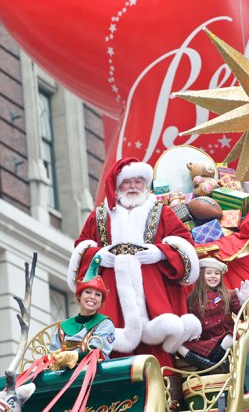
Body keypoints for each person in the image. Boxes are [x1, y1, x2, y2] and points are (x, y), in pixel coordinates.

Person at [67, 157, 201, 408]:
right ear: (117, 187)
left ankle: (167, 402)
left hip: (154, 300)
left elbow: (185, 245)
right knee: (111, 349)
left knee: (159, 350)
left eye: (138, 181)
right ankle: (111, 401)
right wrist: (98, 256)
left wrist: (161, 252)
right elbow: (81, 250)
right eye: (126, 182)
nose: (132, 186)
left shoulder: (162, 212)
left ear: (146, 184)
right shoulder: (99, 217)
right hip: (112, 297)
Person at [178, 257, 249, 370]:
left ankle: (212, 366)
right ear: (201, 276)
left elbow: (245, 316)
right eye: (208, 273)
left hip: (223, 339)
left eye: (217, 273)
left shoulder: (229, 295)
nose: (213, 276)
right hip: (205, 341)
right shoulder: (191, 300)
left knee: (229, 337)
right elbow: (189, 321)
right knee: (178, 346)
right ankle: (212, 366)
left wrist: (244, 303)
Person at [50, 254, 115, 370]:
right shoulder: (62, 327)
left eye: (98, 294)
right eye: (88, 292)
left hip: (93, 378)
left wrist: (73, 356)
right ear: (80, 296)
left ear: (101, 301)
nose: (92, 297)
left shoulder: (105, 324)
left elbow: (96, 352)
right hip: (63, 380)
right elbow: (52, 357)